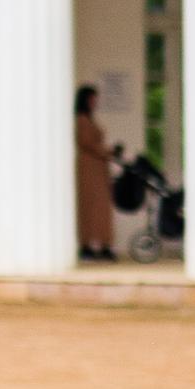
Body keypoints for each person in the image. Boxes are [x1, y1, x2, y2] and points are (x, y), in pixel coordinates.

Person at [75, 83, 118, 264]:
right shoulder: (81, 120)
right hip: (89, 168)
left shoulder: (90, 119)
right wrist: (108, 152)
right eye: (92, 99)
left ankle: (103, 244)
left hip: (99, 168)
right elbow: (87, 143)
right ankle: (89, 245)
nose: (95, 102)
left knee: (101, 207)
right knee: (91, 207)